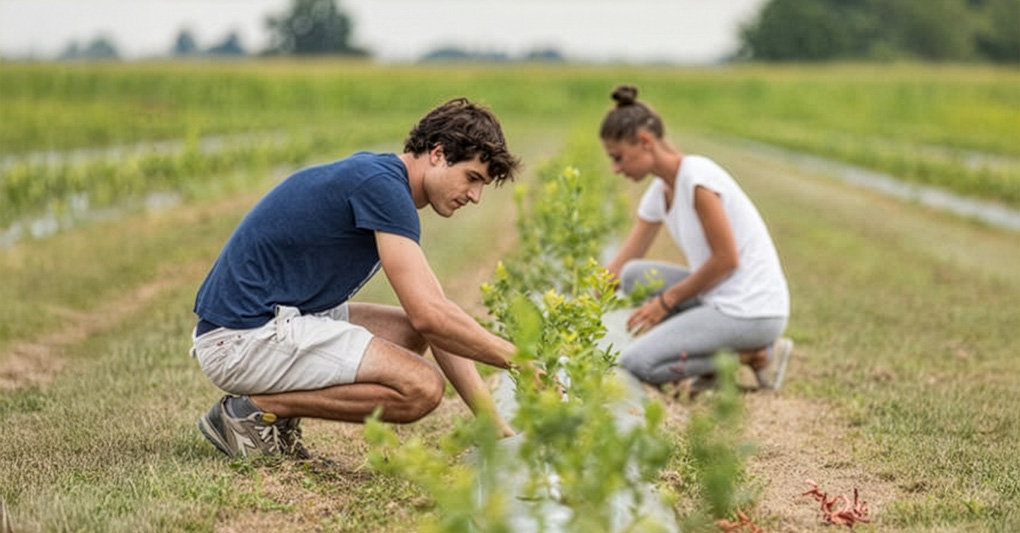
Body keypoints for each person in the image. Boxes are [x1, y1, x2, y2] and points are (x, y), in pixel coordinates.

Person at [191, 97, 523, 459]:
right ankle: (254, 411)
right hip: (240, 340)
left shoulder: (382, 179)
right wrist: (518, 360)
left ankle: (269, 412)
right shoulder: (383, 189)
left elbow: (435, 315)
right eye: (472, 178)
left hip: (273, 319)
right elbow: (432, 315)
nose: (475, 196)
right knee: (422, 389)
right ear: (438, 154)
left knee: (416, 331)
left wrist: (493, 425)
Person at [598, 85, 793, 391]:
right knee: (634, 275)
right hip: (717, 298)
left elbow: (726, 260)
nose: (615, 168)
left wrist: (665, 302)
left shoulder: (698, 180)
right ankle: (719, 354)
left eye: (619, 157)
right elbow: (621, 265)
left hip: (752, 310)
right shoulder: (658, 192)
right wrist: (578, 306)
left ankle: (756, 353)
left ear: (645, 142)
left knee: (638, 363)